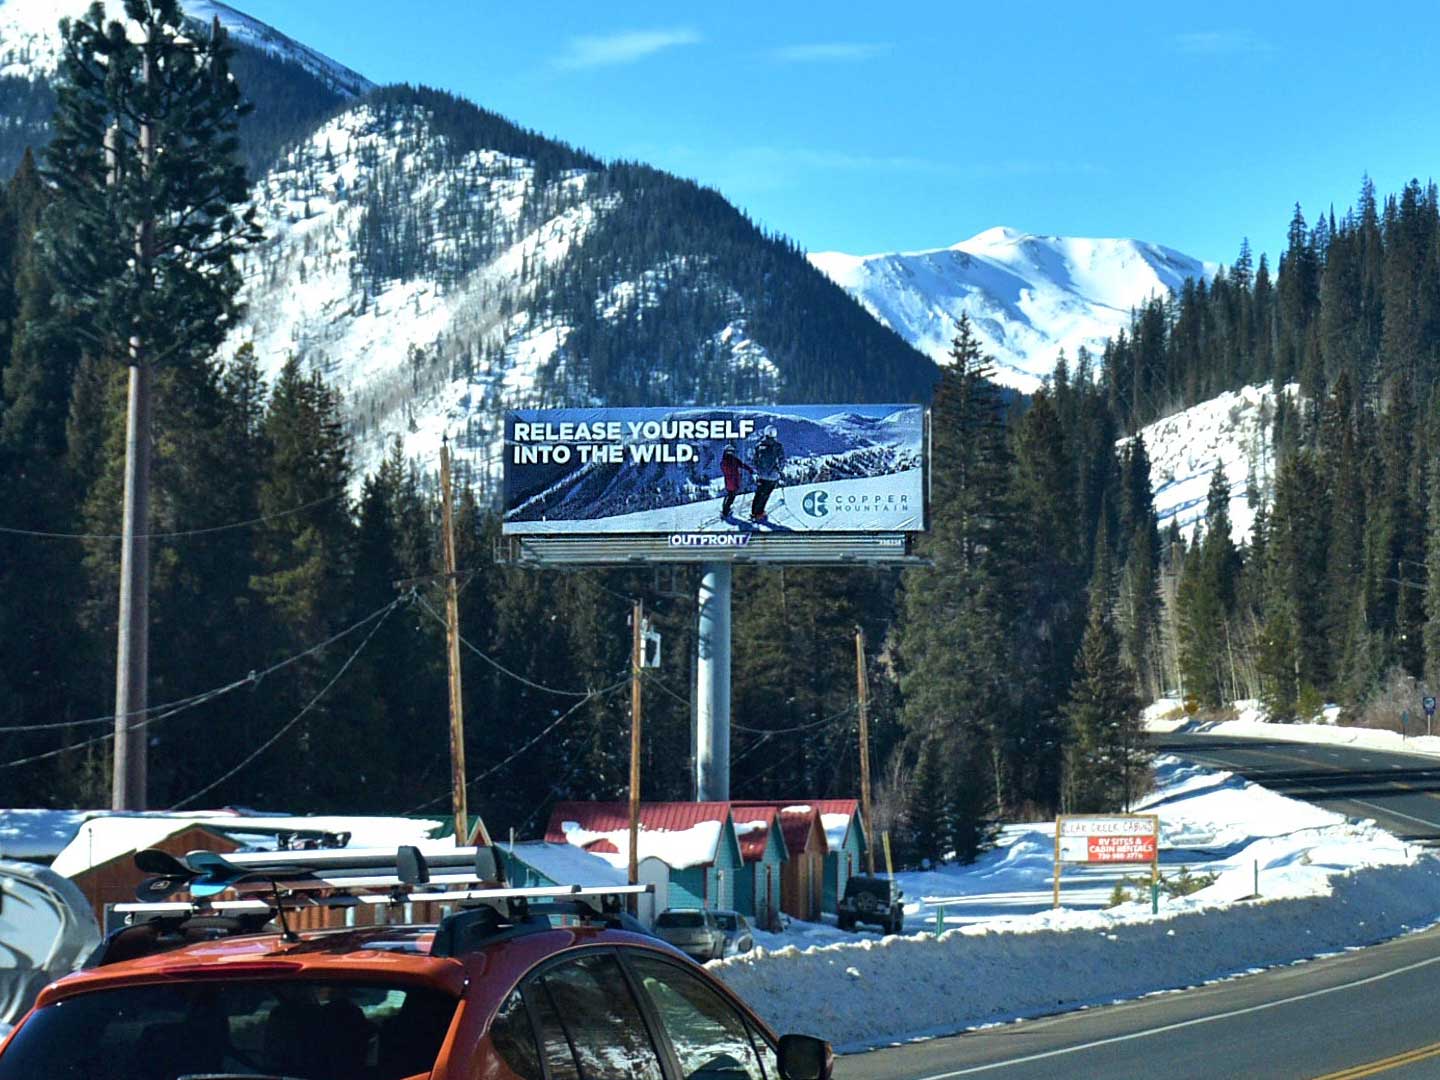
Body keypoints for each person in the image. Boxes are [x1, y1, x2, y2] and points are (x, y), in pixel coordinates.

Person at [750, 425, 785, 521]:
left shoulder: (758, 445)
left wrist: (757, 470)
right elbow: (781, 460)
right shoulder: (778, 446)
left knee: (759, 493)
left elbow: (754, 461)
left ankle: (754, 512)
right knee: (766, 494)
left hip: (761, 474)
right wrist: (779, 470)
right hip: (773, 475)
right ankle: (759, 513)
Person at [719, 442, 753, 519]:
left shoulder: (724, 461)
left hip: (728, 481)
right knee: (731, 496)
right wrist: (749, 469)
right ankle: (725, 511)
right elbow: (742, 464)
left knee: (730, 495)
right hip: (734, 480)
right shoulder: (733, 460)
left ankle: (725, 509)